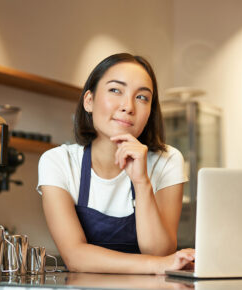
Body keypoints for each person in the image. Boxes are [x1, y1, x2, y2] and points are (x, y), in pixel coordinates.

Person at [37, 53, 195, 274]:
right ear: (89, 101)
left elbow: (159, 251)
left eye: (142, 97)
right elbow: (75, 256)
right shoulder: (58, 161)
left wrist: (142, 182)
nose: (128, 106)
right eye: (115, 90)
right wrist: (159, 264)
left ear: (150, 112)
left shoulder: (167, 160)